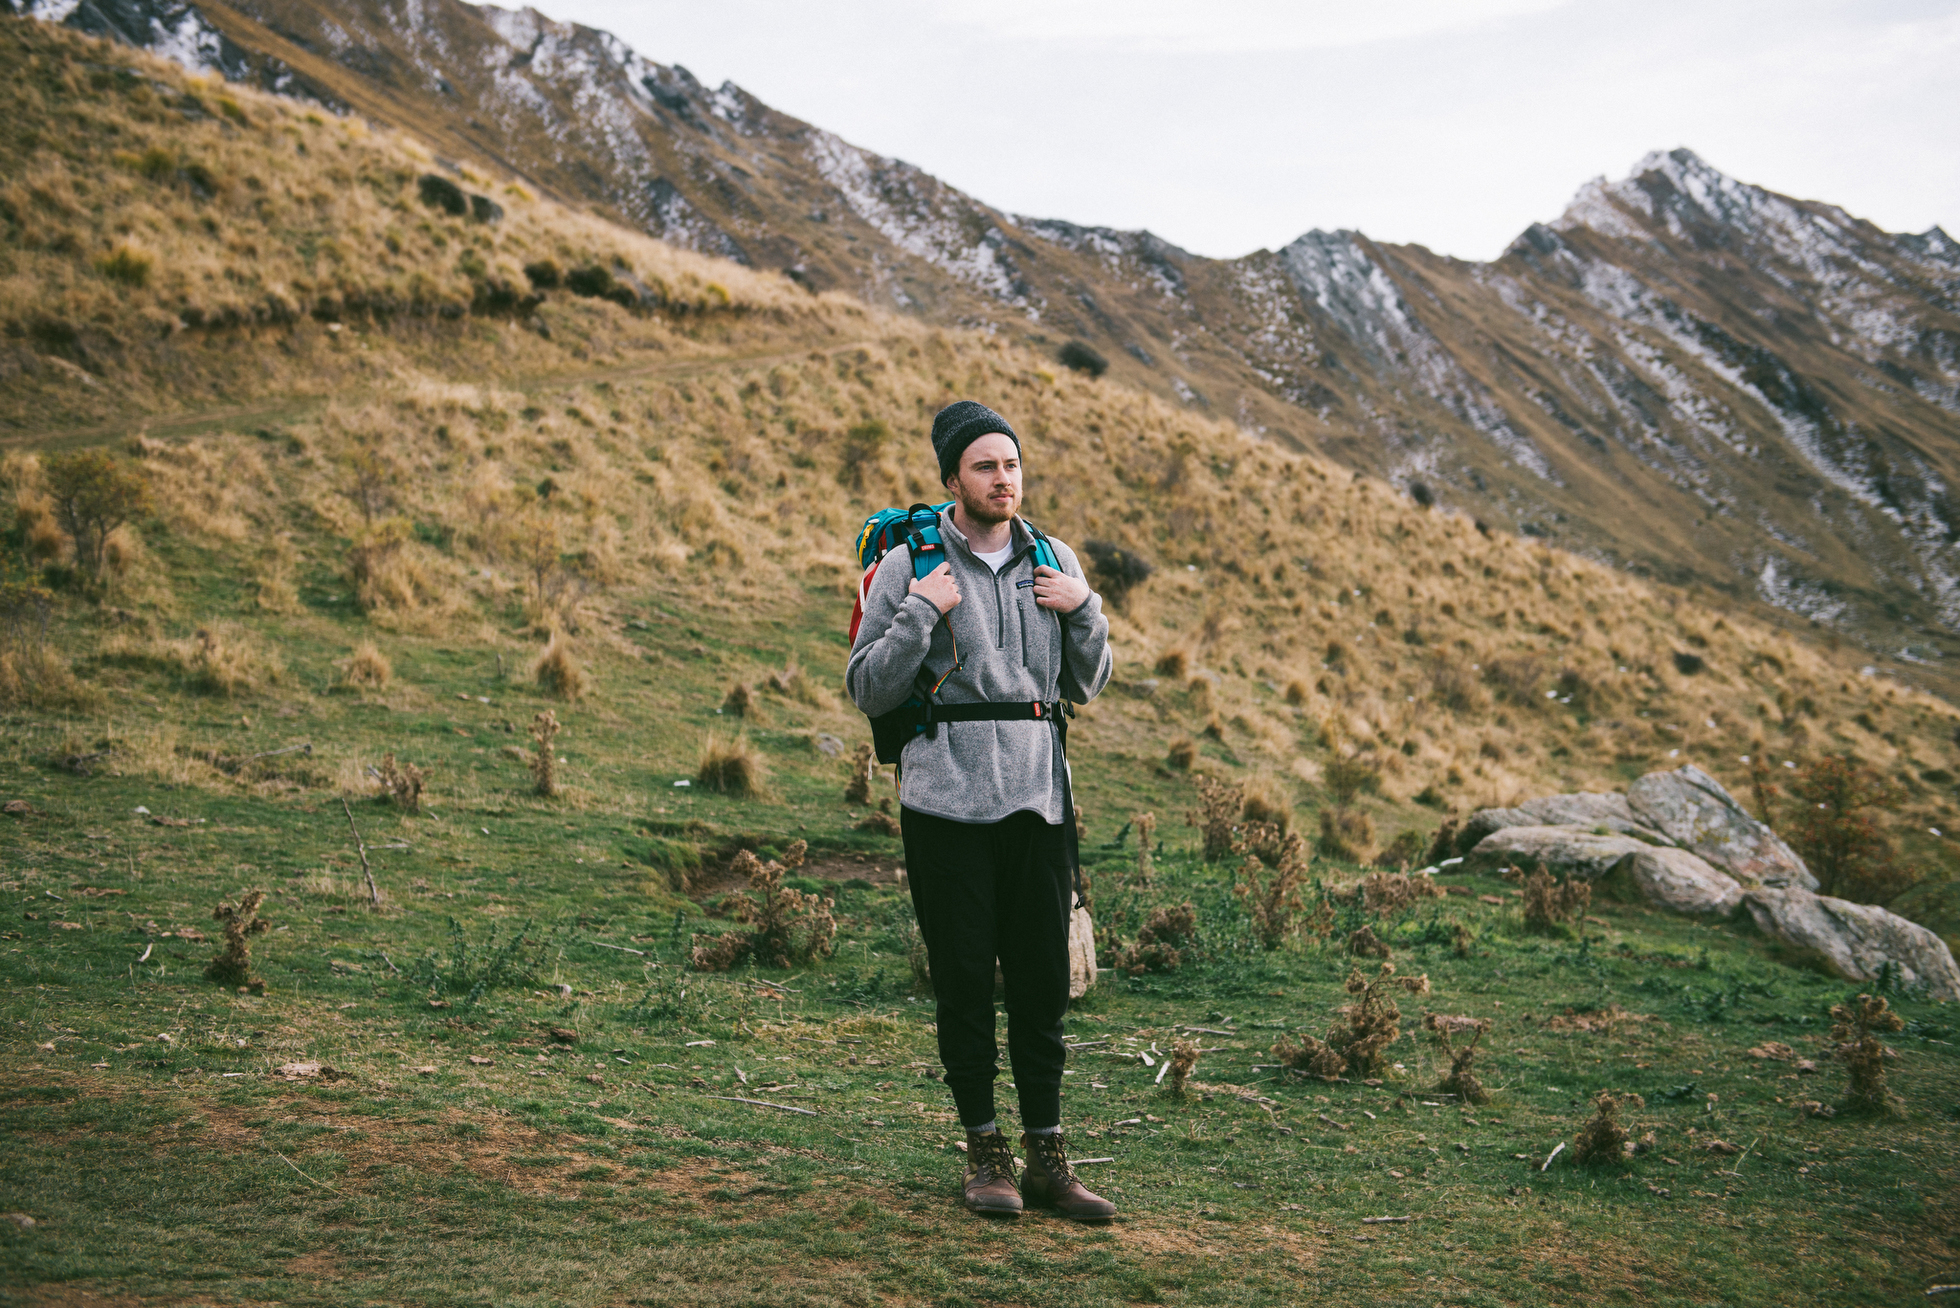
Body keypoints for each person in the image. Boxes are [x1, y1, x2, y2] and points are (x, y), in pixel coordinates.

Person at [846, 399, 1116, 1221]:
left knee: (1041, 990)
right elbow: (867, 687)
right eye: (986, 467)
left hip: (1038, 801)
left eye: (1013, 465)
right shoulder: (909, 563)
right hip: (944, 801)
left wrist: (1086, 611)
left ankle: (1047, 1157)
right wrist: (922, 609)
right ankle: (984, 1151)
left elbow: (1085, 685)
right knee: (964, 984)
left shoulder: (1053, 556)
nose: (1005, 480)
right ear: (953, 479)